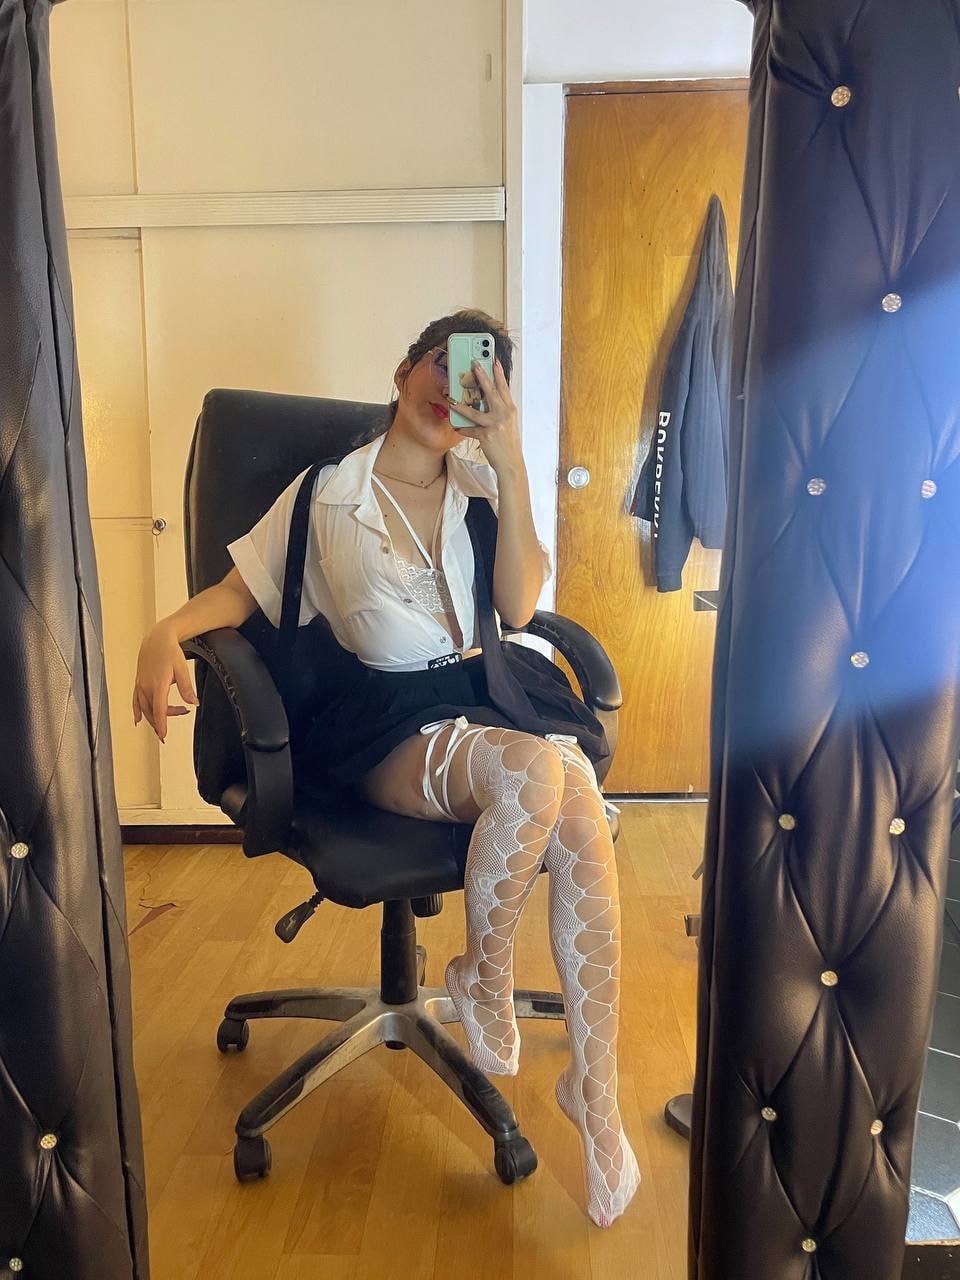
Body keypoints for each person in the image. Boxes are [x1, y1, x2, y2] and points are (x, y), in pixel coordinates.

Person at [132, 309, 640, 1227]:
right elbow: (238, 593)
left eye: (479, 379)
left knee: (572, 802)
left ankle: (594, 1095)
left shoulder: (482, 491)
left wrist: (511, 461)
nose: (454, 389)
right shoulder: (324, 494)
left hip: (490, 694)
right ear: (405, 371)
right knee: (541, 776)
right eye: (443, 365)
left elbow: (518, 609)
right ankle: (482, 978)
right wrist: (163, 631)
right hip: (379, 719)